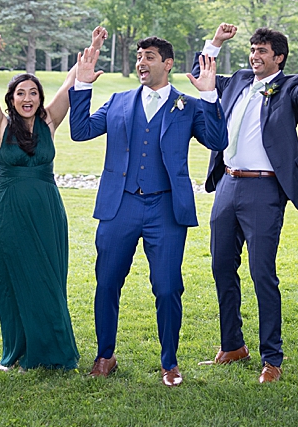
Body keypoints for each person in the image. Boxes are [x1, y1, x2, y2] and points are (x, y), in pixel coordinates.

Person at [69, 36, 227, 387]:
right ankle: (104, 355)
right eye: (139, 57)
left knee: (168, 287)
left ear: (167, 64)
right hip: (119, 205)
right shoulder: (118, 102)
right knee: (107, 282)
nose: (142, 62)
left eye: (149, 57)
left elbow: (218, 142)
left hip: (166, 208)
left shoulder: (188, 105)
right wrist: (81, 83)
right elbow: (79, 132)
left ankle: (169, 362)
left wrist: (210, 94)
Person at [191, 19, 298, 383]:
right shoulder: (236, 80)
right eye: (252, 50)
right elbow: (198, 73)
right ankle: (233, 345)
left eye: (262, 51)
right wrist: (215, 42)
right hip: (228, 184)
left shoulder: (290, 88)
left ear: (279, 58)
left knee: (261, 273)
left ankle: (272, 358)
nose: (254, 56)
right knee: (221, 265)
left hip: (265, 191)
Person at [0, 29, 102, 371]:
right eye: (21, 93)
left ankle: (52, 351)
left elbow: (69, 85)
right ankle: (17, 349)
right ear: (12, 99)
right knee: (15, 280)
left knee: (48, 278)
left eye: (34, 92)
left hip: (48, 213)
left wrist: (92, 50)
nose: (28, 98)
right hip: (10, 215)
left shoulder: (48, 121)